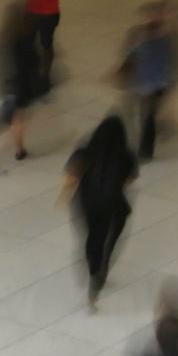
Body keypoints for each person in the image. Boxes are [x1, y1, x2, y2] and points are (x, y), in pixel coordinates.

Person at [60, 116, 137, 308]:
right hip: (114, 205)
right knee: (110, 241)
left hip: (87, 203)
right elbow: (130, 180)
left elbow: (70, 178)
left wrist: (64, 198)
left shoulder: (84, 152)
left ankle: (93, 273)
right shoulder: (126, 156)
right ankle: (102, 268)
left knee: (93, 238)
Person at [116, 0, 178, 161]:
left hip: (156, 83)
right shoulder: (138, 35)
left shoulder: (165, 37)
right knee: (145, 113)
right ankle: (153, 135)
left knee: (148, 115)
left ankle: (146, 150)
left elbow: (172, 60)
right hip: (144, 83)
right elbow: (128, 56)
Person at [0, 0, 46, 162]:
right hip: (23, 85)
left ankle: (18, 147)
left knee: (16, 118)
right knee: (19, 118)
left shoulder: (5, 37)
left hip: (10, 84)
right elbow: (34, 61)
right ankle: (18, 149)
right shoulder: (27, 38)